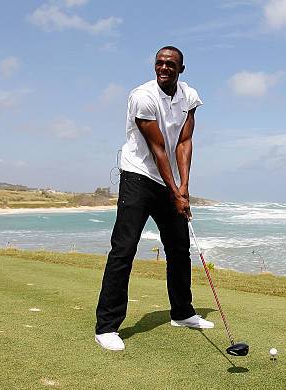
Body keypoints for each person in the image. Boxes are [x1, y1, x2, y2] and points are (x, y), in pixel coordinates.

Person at [94, 46, 213, 351]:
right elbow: (158, 148)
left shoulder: (189, 96)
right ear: (154, 66)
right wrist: (176, 192)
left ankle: (182, 312)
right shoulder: (142, 96)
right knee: (124, 248)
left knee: (179, 248)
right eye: (159, 63)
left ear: (181, 69)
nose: (164, 68)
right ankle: (106, 327)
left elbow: (184, 141)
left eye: (170, 64)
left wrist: (184, 187)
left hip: (169, 180)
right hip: (137, 177)